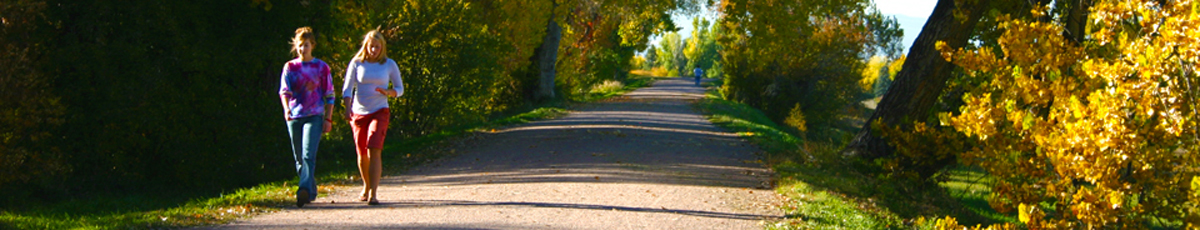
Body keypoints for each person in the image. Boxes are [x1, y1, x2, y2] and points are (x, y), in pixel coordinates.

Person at [342, 29, 403, 205]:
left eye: (377, 47)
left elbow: (400, 88)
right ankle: (366, 186)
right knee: (362, 151)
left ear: (382, 47)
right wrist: (347, 108)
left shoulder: (389, 64)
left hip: (380, 110)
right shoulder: (357, 63)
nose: (374, 50)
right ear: (366, 46)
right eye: (371, 46)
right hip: (359, 112)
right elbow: (347, 88)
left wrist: (389, 92)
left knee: (374, 148)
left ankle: (373, 194)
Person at [279, 27, 334, 208]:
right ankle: (310, 190)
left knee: (308, 154)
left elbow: (330, 94)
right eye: (300, 45)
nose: (303, 49)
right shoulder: (290, 67)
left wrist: (328, 118)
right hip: (295, 115)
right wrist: (287, 109)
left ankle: (303, 189)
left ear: (313, 46)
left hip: (314, 115)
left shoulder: (321, 67)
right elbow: (284, 91)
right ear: (296, 46)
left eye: (307, 45)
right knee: (299, 158)